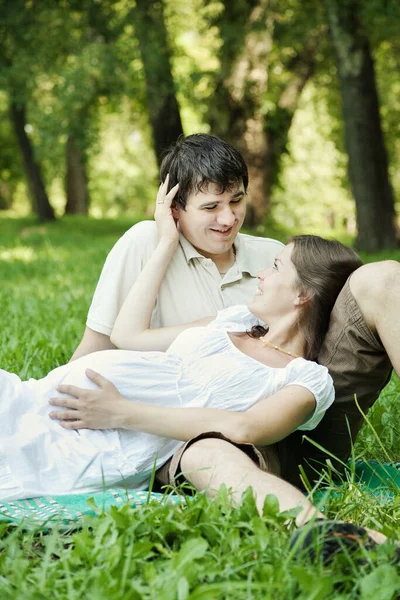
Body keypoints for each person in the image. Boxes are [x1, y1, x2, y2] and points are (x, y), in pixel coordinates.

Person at [65, 133, 397, 511]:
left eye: (236, 201)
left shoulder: (274, 257)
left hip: (305, 407)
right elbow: (106, 343)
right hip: (218, 437)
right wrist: (62, 406)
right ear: (174, 208)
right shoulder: (144, 244)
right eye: (211, 207)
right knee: (209, 452)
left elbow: (329, 324)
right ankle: (321, 532)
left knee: (385, 278)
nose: (228, 218)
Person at [0, 180, 361, 508]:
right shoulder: (235, 320)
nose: (262, 273)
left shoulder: (305, 379)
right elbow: (128, 336)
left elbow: (246, 428)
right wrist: (167, 242)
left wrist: (117, 411)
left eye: (277, 267)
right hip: (43, 398)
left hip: (96, 438)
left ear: (303, 295)